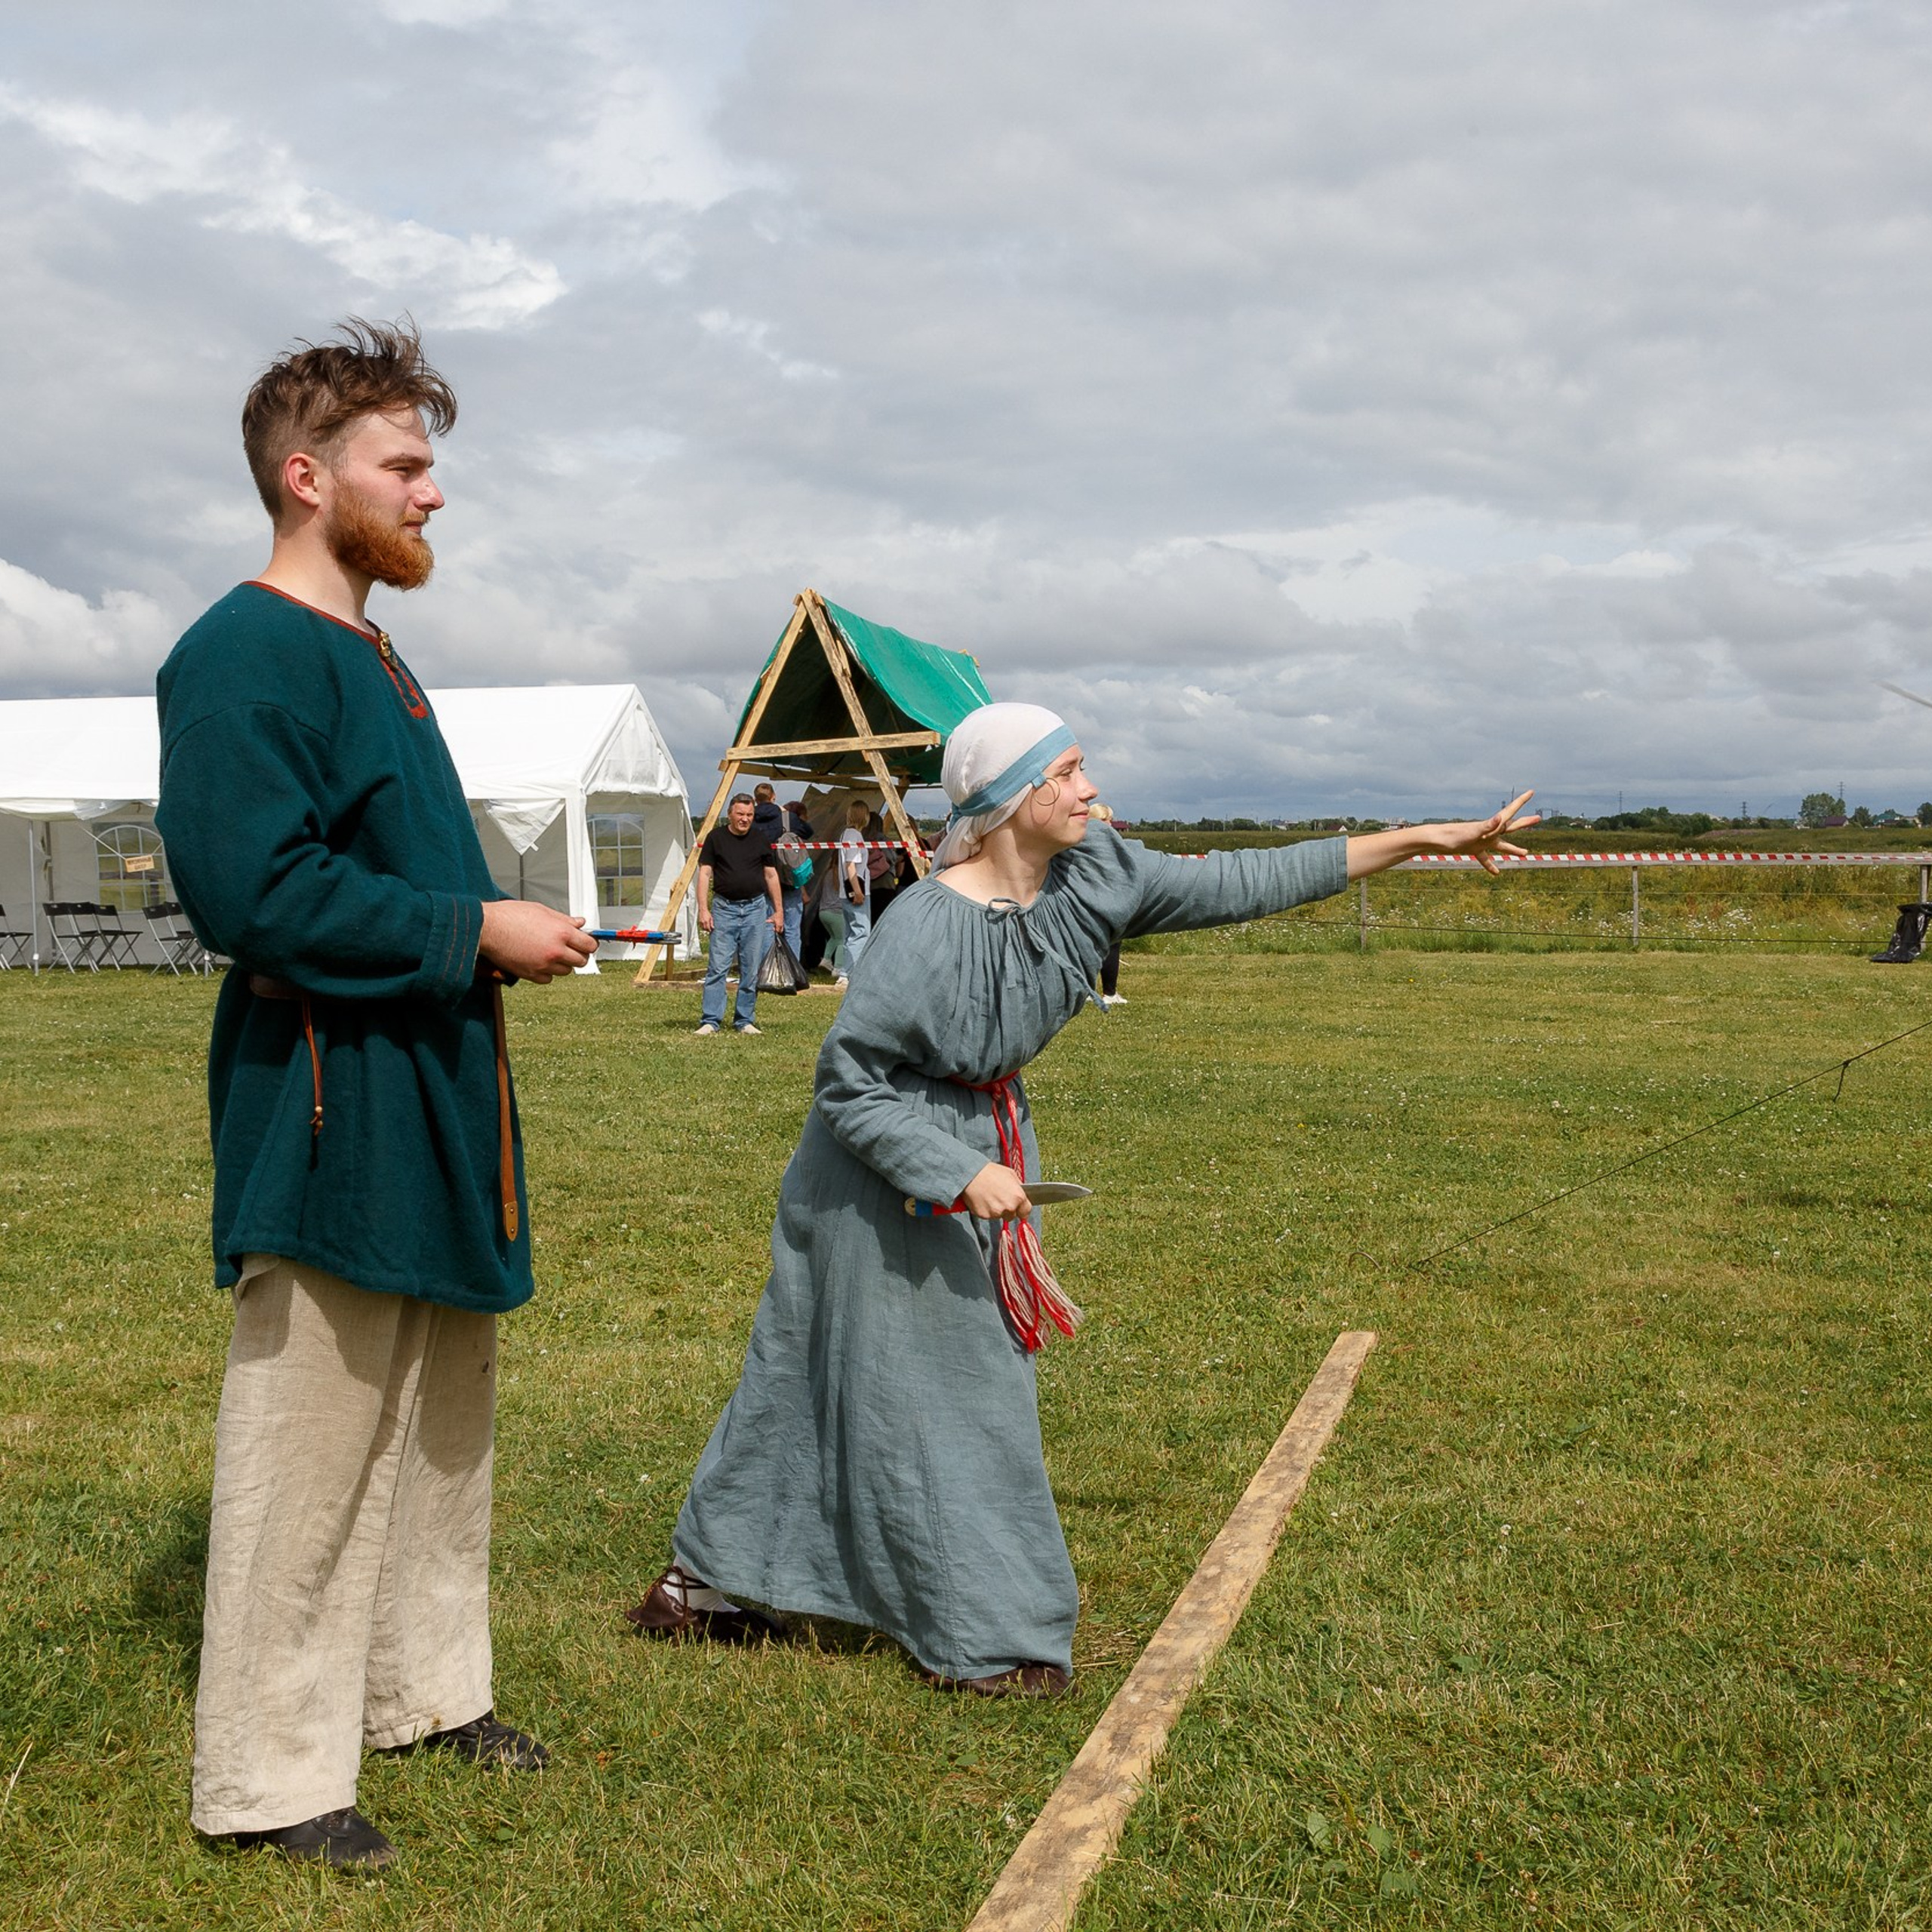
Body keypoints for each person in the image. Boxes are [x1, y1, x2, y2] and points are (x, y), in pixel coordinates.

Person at [625, 700, 1535, 1694]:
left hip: (983, 1146)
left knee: (821, 1369)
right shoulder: (925, 929)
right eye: (1062, 773)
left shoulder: (1098, 878)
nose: (1088, 789)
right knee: (949, 1389)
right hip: (882, 1166)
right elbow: (850, 1084)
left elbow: (1246, 877)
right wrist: (959, 1172)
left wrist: (1421, 839)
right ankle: (989, 1638)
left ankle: (703, 1589)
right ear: (1010, 800)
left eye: (1081, 767)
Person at [155, 318, 596, 1872]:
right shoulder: (239, 651)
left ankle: (423, 1690)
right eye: (403, 464)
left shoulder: (373, 652)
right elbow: (250, 891)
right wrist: (474, 925)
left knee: (435, 1417)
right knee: (309, 1440)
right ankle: (268, 1776)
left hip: (430, 1082)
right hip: (328, 1096)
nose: (431, 494)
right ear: (304, 475)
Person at [694, 792, 783, 1035]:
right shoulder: (716, 838)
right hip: (724, 910)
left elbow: (771, 875)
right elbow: (704, 874)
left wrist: (779, 912)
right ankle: (710, 1021)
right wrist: (704, 909)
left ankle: (744, 1020)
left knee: (750, 969)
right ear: (730, 814)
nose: (745, 819)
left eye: (750, 815)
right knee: (717, 968)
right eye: (741, 814)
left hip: (756, 909)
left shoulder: (761, 839)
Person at [828, 798, 874, 989]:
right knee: (861, 932)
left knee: (849, 934)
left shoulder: (845, 834)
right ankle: (848, 973)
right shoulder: (854, 836)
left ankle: (844, 971)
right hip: (856, 889)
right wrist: (857, 891)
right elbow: (851, 865)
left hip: (844, 892)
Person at [1088, 802, 1124, 1007]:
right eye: (1105, 820)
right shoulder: (1110, 844)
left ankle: (1087, 990)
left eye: (1110, 819)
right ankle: (1110, 993)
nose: (1110, 824)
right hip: (1105, 899)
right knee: (1111, 945)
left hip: (1090, 899)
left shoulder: (1077, 840)